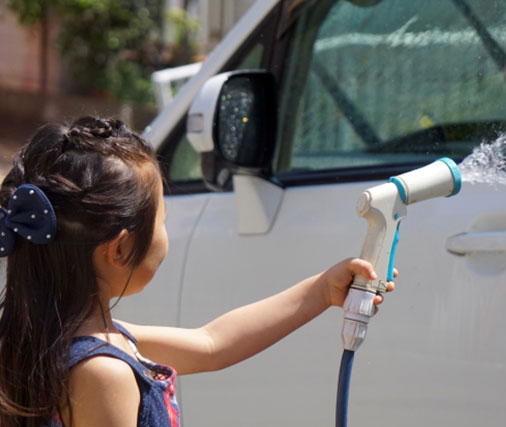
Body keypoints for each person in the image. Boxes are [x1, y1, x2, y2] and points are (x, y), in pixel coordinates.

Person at [0, 117, 395, 427]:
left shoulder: (57, 338)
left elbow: (212, 343)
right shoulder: (103, 372)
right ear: (119, 249)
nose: (166, 233)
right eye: (163, 220)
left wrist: (322, 290)